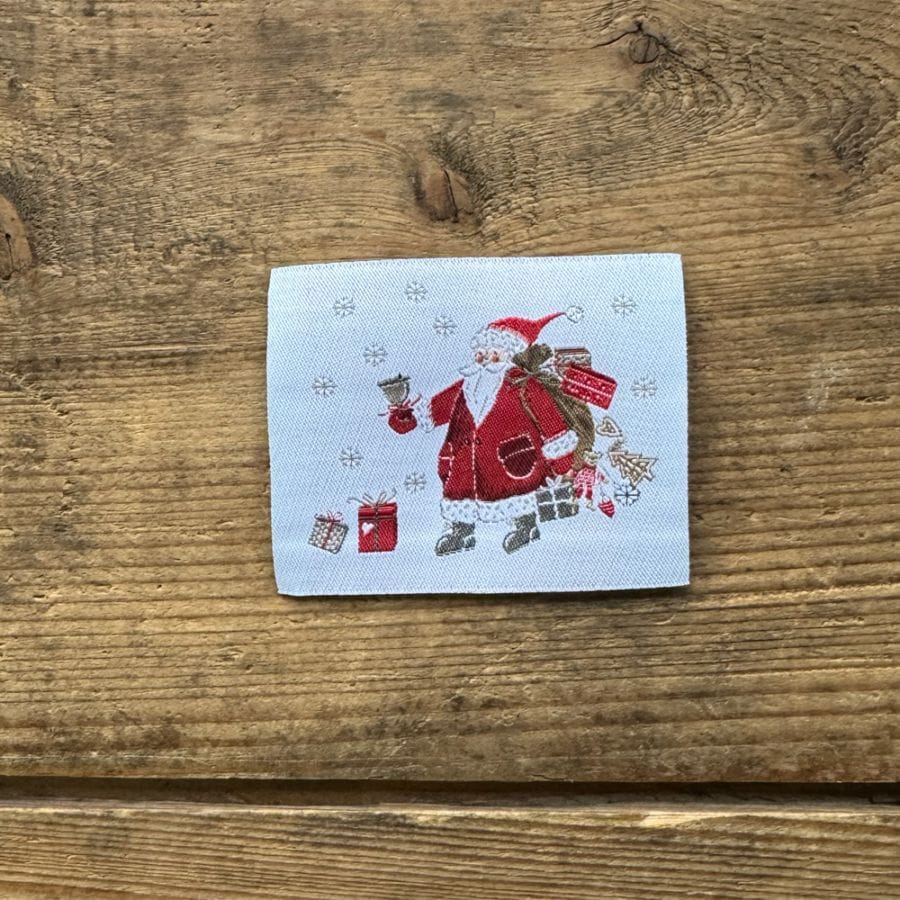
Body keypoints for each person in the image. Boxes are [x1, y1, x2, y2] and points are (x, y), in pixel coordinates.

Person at [387, 313, 577, 554]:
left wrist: (562, 464)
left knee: (518, 495)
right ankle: (460, 532)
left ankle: (525, 526)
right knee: (461, 495)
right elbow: (433, 411)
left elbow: (552, 423)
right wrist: (405, 415)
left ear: (508, 354)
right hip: (465, 460)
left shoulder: (524, 385)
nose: (486, 360)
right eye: (481, 354)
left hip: (511, 459)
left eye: (493, 354)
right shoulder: (466, 385)